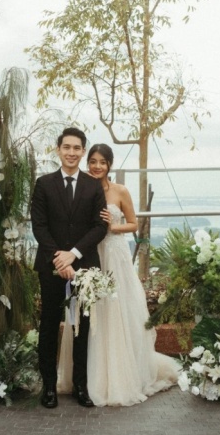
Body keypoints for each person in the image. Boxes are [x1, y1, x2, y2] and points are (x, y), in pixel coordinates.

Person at [57, 143, 179, 406]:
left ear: (110, 165)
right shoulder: (82, 188)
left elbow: (135, 223)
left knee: (115, 310)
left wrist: (113, 226)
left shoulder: (120, 191)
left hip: (114, 254)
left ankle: (118, 375)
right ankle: (83, 376)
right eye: (93, 161)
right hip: (87, 253)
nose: (96, 166)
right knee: (87, 312)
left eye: (102, 162)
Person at [31, 127, 108, 408]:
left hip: (84, 268)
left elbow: (101, 226)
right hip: (51, 268)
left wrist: (73, 255)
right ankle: (49, 388)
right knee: (49, 325)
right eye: (67, 147)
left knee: (81, 327)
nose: (72, 152)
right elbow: (39, 226)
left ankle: (80, 387)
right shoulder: (43, 184)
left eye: (77, 148)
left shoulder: (93, 185)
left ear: (83, 151)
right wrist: (59, 259)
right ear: (58, 150)